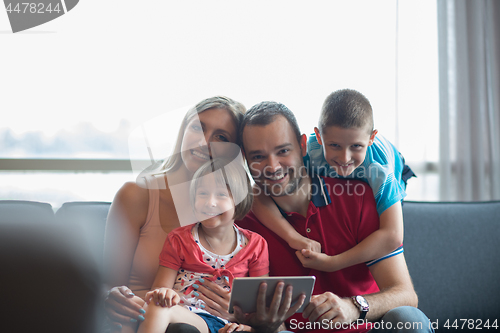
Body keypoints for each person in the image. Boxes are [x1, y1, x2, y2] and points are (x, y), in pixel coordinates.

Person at [231, 101, 431, 333]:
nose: (272, 167)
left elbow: (406, 295)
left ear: (303, 146)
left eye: (283, 151)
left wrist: (353, 307)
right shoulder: (240, 223)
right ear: (245, 159)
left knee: (408, 319)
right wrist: (263, 324)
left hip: (361, 328)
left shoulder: (358, 199)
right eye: (258, 156)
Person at [103, 96, 246, 332]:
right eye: (197, 127)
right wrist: (110, 296)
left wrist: (240, 313)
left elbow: (256, 298)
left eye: (221, 137)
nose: (204, 142)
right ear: (183, 131)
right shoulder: (137, 195)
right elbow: (106, 284)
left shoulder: (236, 209)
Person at [252, 89, 415, 272]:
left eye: (356, 146)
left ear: (371, 138)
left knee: (382, 225)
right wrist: (291, 236)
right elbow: (256, 194)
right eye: (334, 145)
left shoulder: (380, 171)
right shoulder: (310, 151)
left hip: (395, 166)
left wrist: (332, 263)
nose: (344, 158)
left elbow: (393, 236)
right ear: (319, 137)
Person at [115, 158, 268, 333]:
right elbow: (159, 288)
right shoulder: (179, 238)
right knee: (136, 305)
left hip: (219, 320)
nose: (210, 202)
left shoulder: (256, 244)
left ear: (239, 201)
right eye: (202, 194)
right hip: (179, 311)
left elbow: (259, 303)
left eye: (221, 195)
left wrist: (247, 326)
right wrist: (165, 294)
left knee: (157, 309)